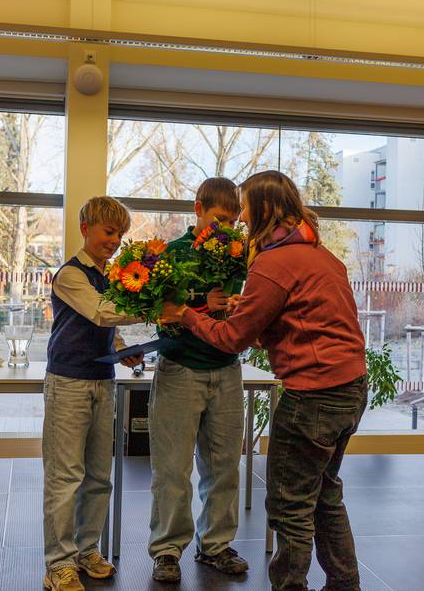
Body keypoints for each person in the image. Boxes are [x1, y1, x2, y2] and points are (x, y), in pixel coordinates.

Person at [161, 170, 368, 591]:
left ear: (263, 209)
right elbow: (302, 319)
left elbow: (234, 339)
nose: (240, 219)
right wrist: (248, 309)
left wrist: (186, 314)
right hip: (351, 389)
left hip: (312, 396)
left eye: (244, 208)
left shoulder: (273, 263)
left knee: (289, 507)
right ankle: (345, 584)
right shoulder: (323, 256)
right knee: (326, 494)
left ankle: (289, 585)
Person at [148, 177, 249, 583]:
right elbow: (156, 310)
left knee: (224, 466)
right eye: (219, 218)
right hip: (179, 369)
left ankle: (217, 546)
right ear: (198, 209)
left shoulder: (239, 258)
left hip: (226, 369)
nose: (225, 228)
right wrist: (196, 303)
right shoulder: (170, 254)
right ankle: (168, 550)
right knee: (172, 469)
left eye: (233, 221)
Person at [42, 196, 144, 591]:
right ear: (85, 228)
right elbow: (100, 312)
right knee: (65, 477)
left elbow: (106, 324)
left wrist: (122, 350)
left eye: (120, 234)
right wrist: (155, 310)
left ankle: (87, 551)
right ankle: (58, 565)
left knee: (99, 477)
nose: (115, 241)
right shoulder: (69, 274)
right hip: (68, 384)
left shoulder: (109, 276)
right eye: (108, 231)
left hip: (104, 381)